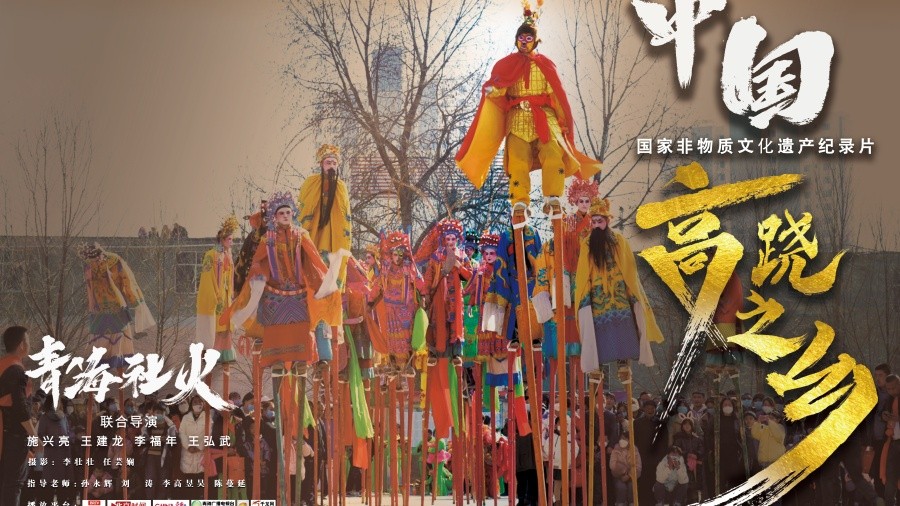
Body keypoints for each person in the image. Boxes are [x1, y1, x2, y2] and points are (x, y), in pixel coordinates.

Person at [455, 4, 600, 211]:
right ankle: (520, 202)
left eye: (528, 38)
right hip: (517, 119)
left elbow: (557, 96)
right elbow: (500, 87)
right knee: (518, 160)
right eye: (521, 38)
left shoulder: (545, 64)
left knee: (553, 154)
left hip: (545, 118)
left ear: (535, 41)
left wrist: (563, 123)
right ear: (516, 40)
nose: (524, 42)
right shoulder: (505, 64)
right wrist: (492, 90)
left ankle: (552, 198)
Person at [575, 198, 663, 372]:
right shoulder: (587, 244)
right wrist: (585, 297)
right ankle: (598, 366)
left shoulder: (619, 241)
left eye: (600, 221)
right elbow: (583, 274)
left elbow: (630, 270)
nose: (596, 225)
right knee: (598, 334)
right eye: (594, 222)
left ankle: (624, 363)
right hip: (598, 297)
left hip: (619, 294)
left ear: (607, 221)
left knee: (624, 328)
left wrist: (632, 292)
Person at [297, 143, 353, 362]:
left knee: (330, 293)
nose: (331, 166)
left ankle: (327, 343)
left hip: (334, 244)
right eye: (328, 162)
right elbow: (304, 210)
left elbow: (345, 219)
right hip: (315, 241)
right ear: (321, 165)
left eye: (334, 163)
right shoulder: (311, 183)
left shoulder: (342, 187)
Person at [78, 242, 156, 368]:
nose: (94, 263)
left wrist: (135, 301)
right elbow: (90, 287)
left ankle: (117, 377)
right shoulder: (91, 265)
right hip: (100, 311)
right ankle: (106, 376)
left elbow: (127, 282)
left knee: (115, 346)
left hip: (115, 309)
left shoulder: (114, 261)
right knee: (107, 348)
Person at [0, 326, 36, 506]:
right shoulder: (16, 370)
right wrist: (34, 435)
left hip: (4, 433)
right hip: (14, 437)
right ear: (22, 344)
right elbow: (20, 407)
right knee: (13, 485)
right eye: (28, 341)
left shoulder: (3, 366)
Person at [197, 215, 239, 364]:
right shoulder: (211, 255)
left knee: (226, 325)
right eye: (229, 239)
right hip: (217, 295)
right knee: (216, 325)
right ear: (222, 240)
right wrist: (213, 295)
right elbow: (207, 278)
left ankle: (225, 352)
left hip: (226, 295)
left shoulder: (228, 255)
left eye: (232, 239)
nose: (232, 242)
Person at [671, 418, 705, 501]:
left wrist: (696, 455)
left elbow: (702, 450)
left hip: (695, 468)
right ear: (682, 426)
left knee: (695, 489)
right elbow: (676, 450)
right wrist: (687, 454)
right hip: (683, 466)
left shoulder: (696, 439)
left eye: (689, 424)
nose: (687, 426)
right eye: (685, 424)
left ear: (692, 426)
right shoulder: (678, 438)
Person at [880, 374, 900, 506]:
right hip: (893, 442)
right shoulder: (889, 399)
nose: (891, 391)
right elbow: (883, 414)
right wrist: (884, 416)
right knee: (890, 479)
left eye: (894, 388)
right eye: (888, 389)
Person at [609, 431, 641, 506]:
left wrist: (629, 475)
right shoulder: (616, 449)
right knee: (621, 487)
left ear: (629, 440)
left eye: (624, 439)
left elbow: (638, 467)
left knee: (632, 487)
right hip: (618, 476)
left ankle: (632, 503)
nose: (621, 440)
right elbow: (612, 465)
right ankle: (620, 503)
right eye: (621, 438)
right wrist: (624, 470)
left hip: (631, 477)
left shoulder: (635, 450)